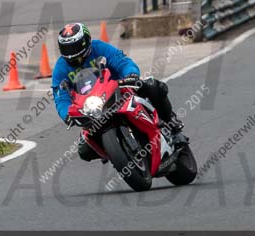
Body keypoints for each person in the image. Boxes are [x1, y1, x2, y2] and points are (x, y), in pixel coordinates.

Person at [52, 23, 183, 162]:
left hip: (119, 90)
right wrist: (66, 114)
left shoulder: (99, 47)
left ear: (86, 42)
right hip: (91, 107)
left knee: (153, 86)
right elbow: (60, 97)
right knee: (84, 150)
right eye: (66, 48)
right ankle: (114, 151)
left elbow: (122, 61)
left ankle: (171, 122)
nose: (71, 52)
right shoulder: (60, 68)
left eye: (74, 46)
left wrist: (131, 75)